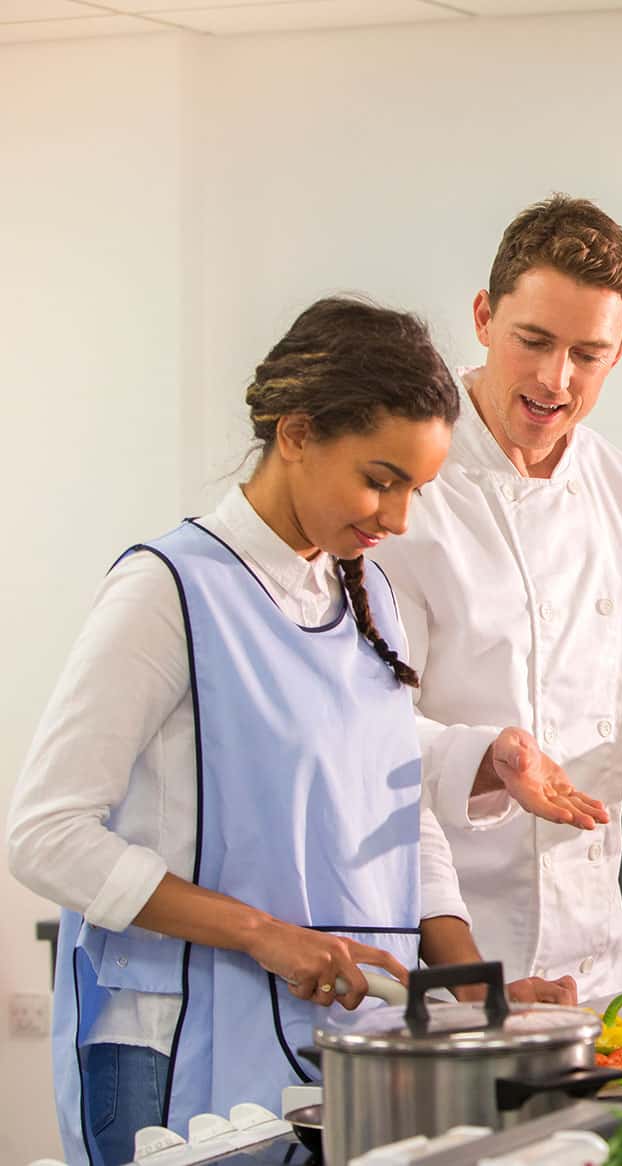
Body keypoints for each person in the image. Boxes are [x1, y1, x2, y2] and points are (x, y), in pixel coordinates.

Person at [8, 298, 531, 1164]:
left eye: (417, 490)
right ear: (296, 433)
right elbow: (44, 836)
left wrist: (472, 989)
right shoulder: (168, 591)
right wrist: (264, 934)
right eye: (380, 478)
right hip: (175, 1059)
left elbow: (395, 808)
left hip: (340, 1049)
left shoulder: (368, 600)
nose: (398, 518)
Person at [373, 196, 622, 996]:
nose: (556, 379)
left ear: (621, 350)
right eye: (535, 341)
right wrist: (488, 759)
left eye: (587, 352)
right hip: (437, 951)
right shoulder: (402, 493)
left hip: (592, 957)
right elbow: (369, 729)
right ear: (484, 317)